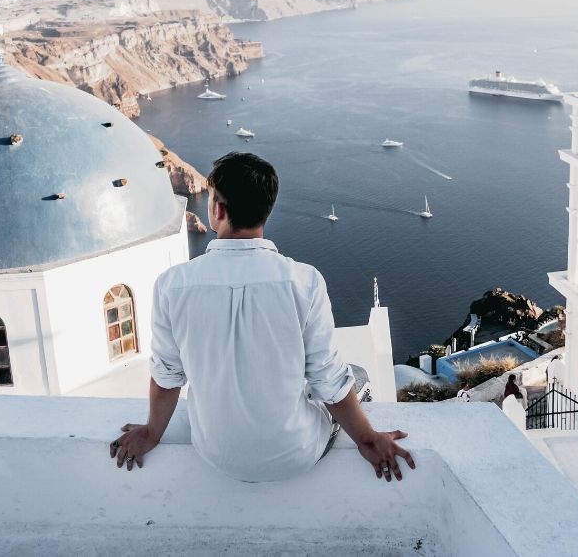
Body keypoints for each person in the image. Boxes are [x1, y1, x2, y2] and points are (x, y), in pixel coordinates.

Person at [109, 152, 416, 483]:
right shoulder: (304, 281)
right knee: (356, 373)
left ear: (218, 210)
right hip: (296, 454)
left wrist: (152, 433)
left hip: (215, 454)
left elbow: (166, 377)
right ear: (266, 210)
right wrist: (368, 440)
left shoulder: (172, 285)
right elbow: (329, 380)